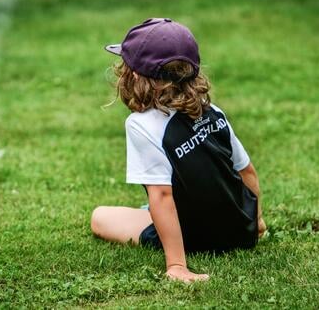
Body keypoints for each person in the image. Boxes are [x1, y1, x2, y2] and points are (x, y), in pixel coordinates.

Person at [91, 18, 266, 283]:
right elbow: (247, 172)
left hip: (197, 236)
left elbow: (161, 195)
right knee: (155, 206)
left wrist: (176, 265)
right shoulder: (212, 112)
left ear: (135, 74)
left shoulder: (142, 125)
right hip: (240, 230)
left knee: (100, 217)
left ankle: (178, 259)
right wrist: (256, 224)